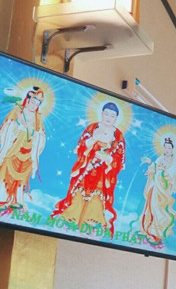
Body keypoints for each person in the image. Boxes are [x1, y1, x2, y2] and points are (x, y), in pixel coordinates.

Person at [51, 101, 126, 236]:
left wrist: (107, 159)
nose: (108, 118)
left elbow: (119, 158)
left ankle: (90, 222)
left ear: (116, 118)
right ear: (102, 114)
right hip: (87, 167)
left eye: (112, 115)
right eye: (106, 114)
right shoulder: (92, 128)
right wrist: (93, 141)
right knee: (79, 192)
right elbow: (81, 147)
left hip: (103, 172)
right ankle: (71, 218)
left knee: (97, 196)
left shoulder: (118, 136)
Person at [0, 86, 47, 211]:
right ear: (28, 100)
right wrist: (18, 125)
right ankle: (2, 199)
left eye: (37, 104)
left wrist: (35, 133)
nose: (34, 106)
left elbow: (41, 135)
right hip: (14, 149)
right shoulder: (17, 111)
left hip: (28, 152)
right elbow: (7, 127)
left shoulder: (37, 118)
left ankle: (17, 201)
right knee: (6, 172)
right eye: (33, 102)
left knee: (21, 178)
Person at [139, 137, 176, 244]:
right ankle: (146, 230)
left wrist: (162, 171)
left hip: (162, 190)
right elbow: (154, 168)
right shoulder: (160, 158)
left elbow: (171, 175)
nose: (167, 150)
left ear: (172, 149)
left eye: (169, 148)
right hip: (154, 186)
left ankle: (156, 234)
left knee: (157, 209)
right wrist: (150, 166)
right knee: (149, 207)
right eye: (165, 147)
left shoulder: (174, 161)